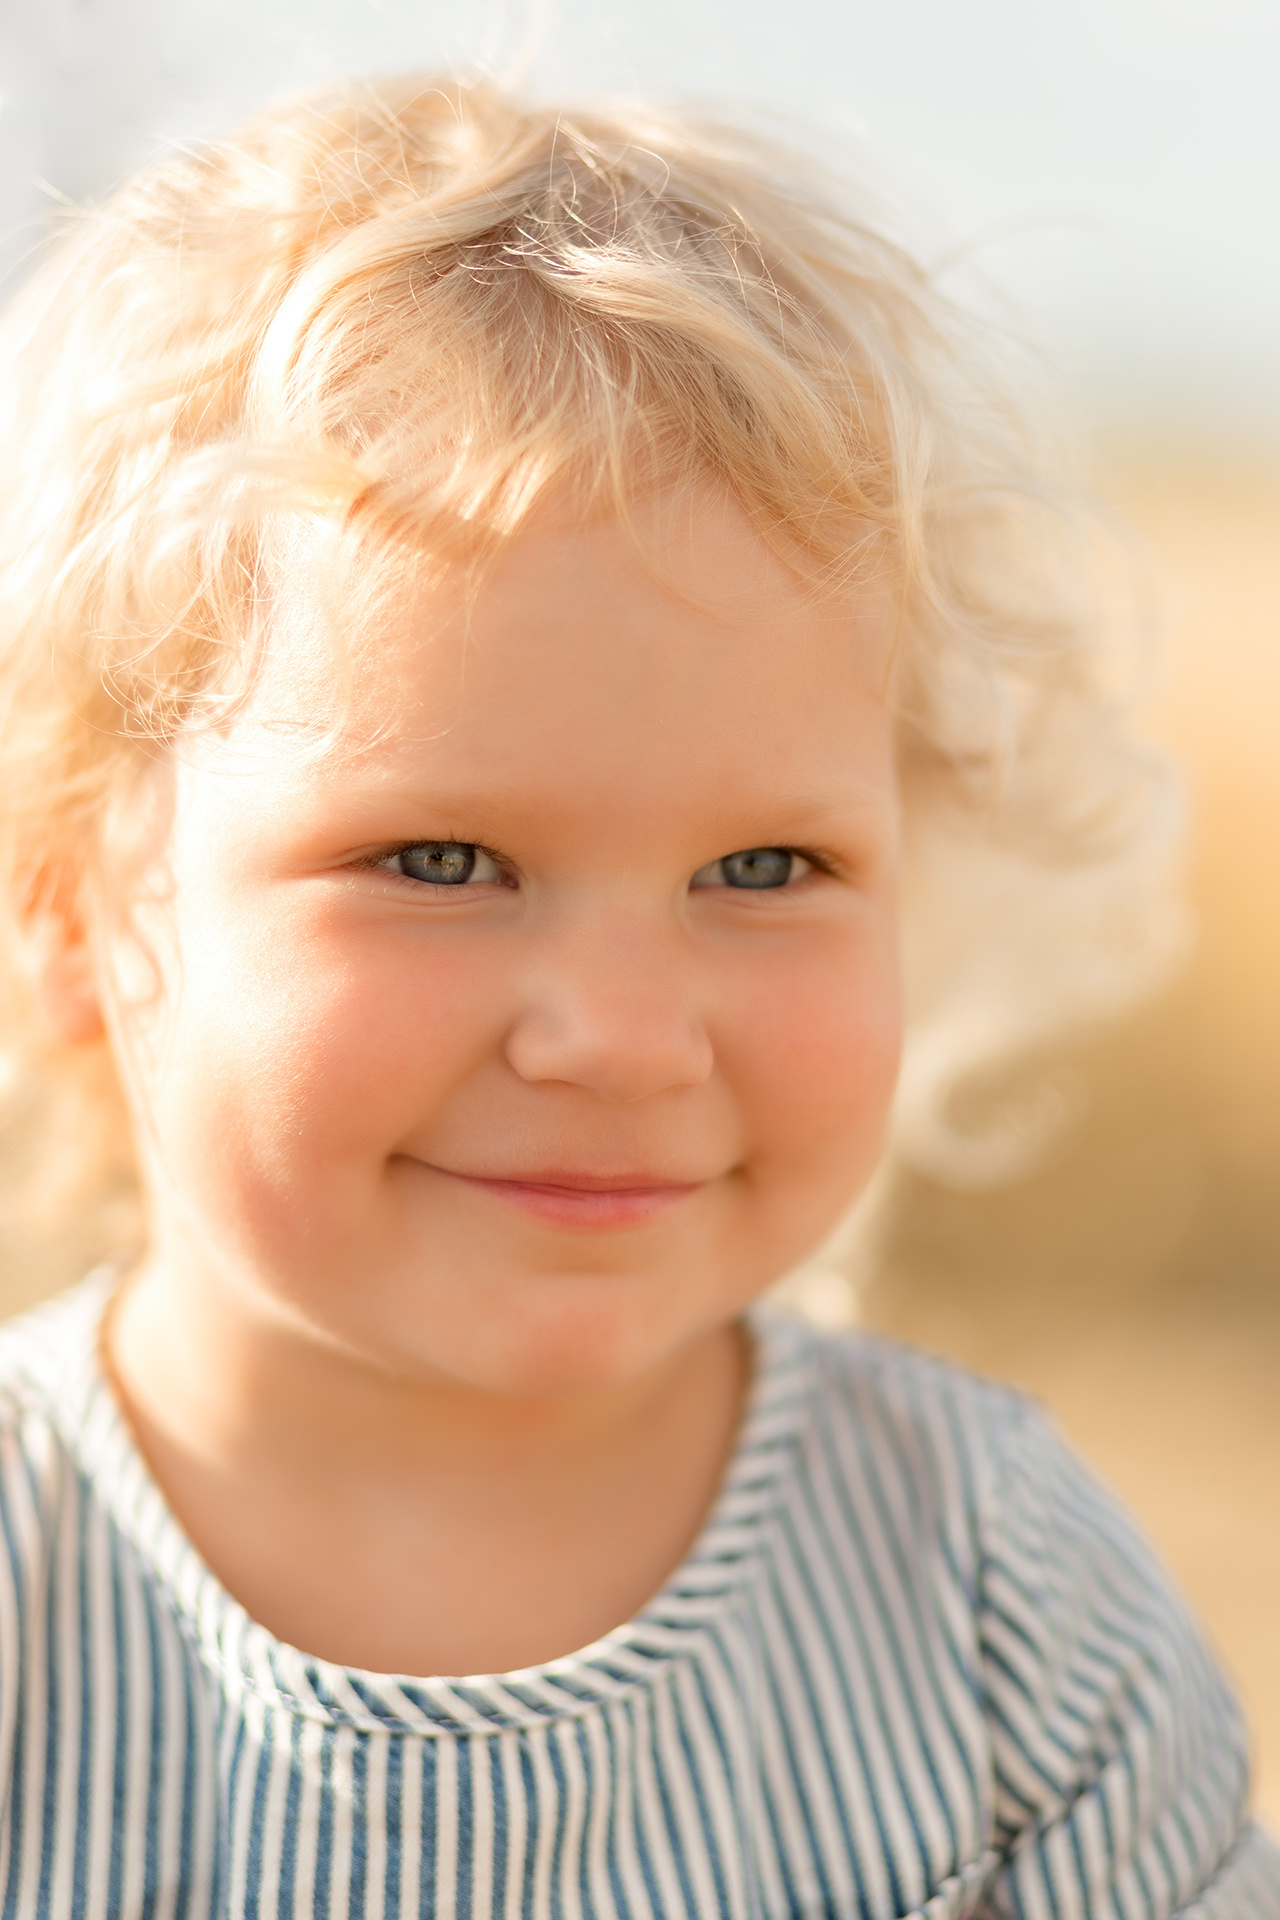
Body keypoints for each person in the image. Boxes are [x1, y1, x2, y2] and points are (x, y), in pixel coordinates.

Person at [0, 74, 1273, 1919]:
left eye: (763, 873)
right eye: (440, 863)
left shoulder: (989, 1590)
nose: (620, 1035)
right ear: (68, 920)